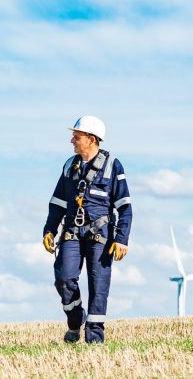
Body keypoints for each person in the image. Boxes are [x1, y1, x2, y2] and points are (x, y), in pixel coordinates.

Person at [42, 116, 133, 344]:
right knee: (63, 278)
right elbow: (58, 202)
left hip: (101, 237)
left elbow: (125, 207)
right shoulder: (68, 165)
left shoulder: (113, 165)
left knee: (98, 286)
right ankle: (75, 320)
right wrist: (49, 230)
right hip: (72, 233)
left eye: (76, 136)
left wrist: (121, 239)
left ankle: (95, 341)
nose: (71, 140)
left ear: (91, 139)